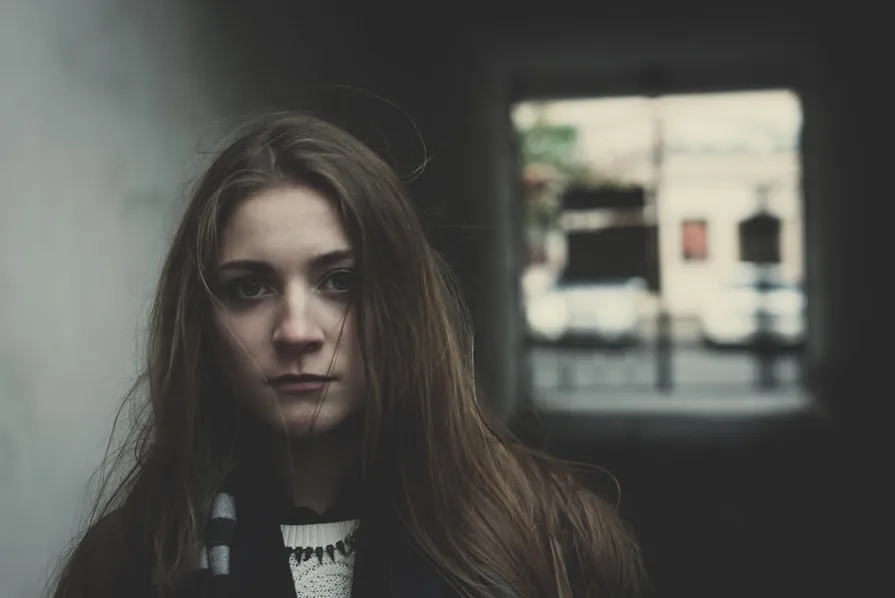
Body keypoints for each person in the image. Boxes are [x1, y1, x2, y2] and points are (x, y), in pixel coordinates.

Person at [48, 112, 645, 598]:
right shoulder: (127, 565)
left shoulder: (555, 543)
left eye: (339, 281)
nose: (298, 331)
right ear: (202, 321)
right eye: (249, 288)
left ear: (401, 302)